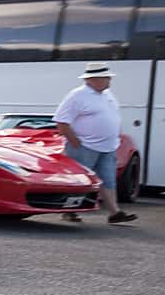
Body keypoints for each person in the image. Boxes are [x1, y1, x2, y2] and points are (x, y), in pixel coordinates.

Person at [55, 62, 136, 225]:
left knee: (108, 179)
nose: (109, 81)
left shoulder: (108, 95)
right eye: (106, 78)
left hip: (107, 146)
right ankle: (69, 211)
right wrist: (75, 142)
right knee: (79, 180)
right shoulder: (77, 96)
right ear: (93, 79)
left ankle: (115, 213)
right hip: (85, 146)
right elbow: (62, 121)